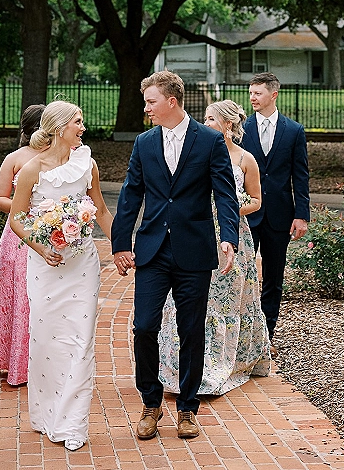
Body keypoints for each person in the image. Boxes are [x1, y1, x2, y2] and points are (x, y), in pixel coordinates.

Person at [112, 71, 240, 441]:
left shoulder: (210, 141)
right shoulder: (144, 142)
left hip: (194, 251)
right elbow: (130, 194)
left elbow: (226, 195)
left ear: (172, 100)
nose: (146, 108)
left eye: (151, 101)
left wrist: (227, 237)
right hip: (152, 250)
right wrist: (121, 243)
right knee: (144, 327)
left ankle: (187, 408)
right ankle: (151, 403)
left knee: (191, 332)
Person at [9, 100, 113, 452]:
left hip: (83, 263)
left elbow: (99, 209)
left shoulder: (88, 164)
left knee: (80, 341)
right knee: (47, 340)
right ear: (58, 128)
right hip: (45, 265)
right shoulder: (31, 169)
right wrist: (41, 248)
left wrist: (123, 246)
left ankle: (73, 424)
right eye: (78, 122)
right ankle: (45, 415)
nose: (83, 128)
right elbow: (17, 218)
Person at [159, 100, 271, 396]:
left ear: (229, 125)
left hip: (231, 236)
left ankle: (221, 363)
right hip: (196, 233)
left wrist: (227, 208)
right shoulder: (196, 151)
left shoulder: (246, 159)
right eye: (205, 118)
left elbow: (257, 201)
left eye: (210, 119)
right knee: (190, 297)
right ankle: (182, 364)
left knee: (225, 303)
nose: (204, 123)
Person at [0, 104, 45, 385]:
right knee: (20, 296)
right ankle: (16, 361)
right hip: (19, 235)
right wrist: (26, 206)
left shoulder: (61, 157)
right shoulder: (15, 158)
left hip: (52, 233)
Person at [242, 72, 310, 352]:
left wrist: (301, 214)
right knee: (243, 276)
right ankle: (243, 336)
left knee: (274, 278)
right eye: (250, 93)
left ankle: (266, 336)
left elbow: (300, 176)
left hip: (280, 216)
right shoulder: (242, 129)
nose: (252, 98)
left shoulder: (293, 130)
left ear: (273, 95)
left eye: (257, 93)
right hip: (247, 214)